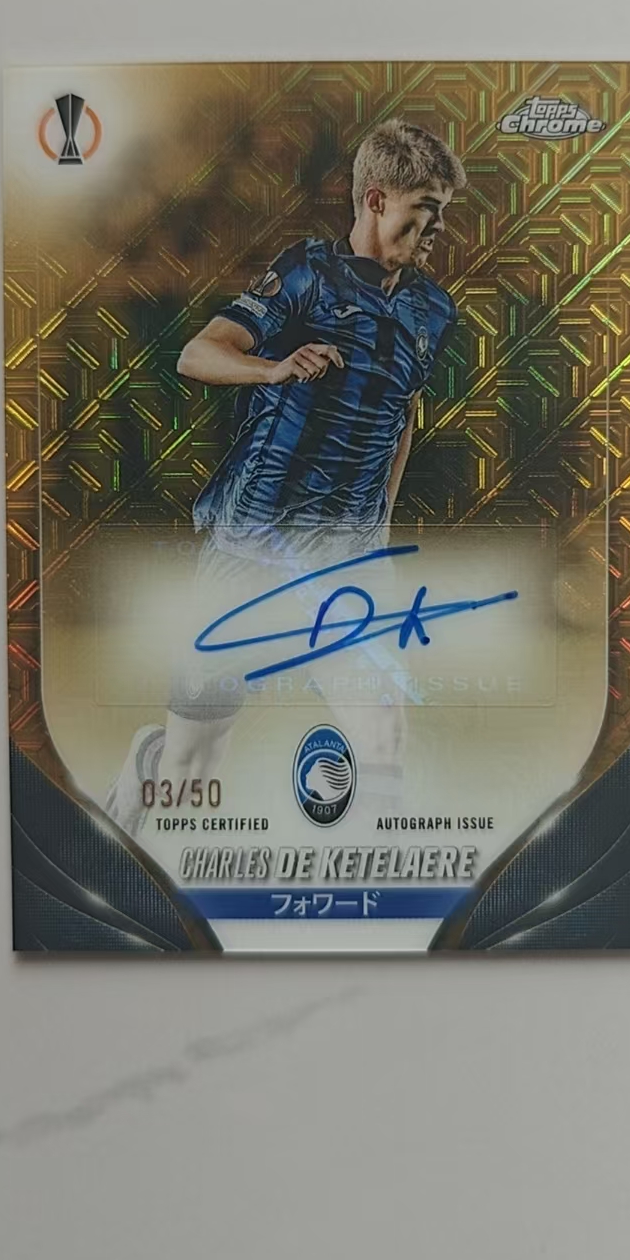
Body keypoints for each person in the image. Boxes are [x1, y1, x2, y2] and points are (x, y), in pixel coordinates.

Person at [103, 119, 466, 839]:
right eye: (425, 209)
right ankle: (152, 764)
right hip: (251, 548)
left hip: (345, 560)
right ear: (376, 200)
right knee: (191, 769)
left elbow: (403, 413)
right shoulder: (306, 274)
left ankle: (370, 896)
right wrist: (273, 367)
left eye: (442, 212)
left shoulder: (432, 310)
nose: (437, 228)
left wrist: (380, 526)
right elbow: (198, 354)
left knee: (383, 738)